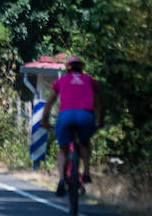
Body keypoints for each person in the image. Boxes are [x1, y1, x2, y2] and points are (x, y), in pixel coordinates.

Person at [40, 54, 104, 195]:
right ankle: (86, 172)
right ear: (82, 68)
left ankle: (62, 180)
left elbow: (49, 103)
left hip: (66, 116)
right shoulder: (90, 80)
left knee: (63, 149)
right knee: (84, 143)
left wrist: (44, 120)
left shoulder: (61, 80)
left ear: (68, 68)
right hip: (86, 116)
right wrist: (100, 121)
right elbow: (100, 103)